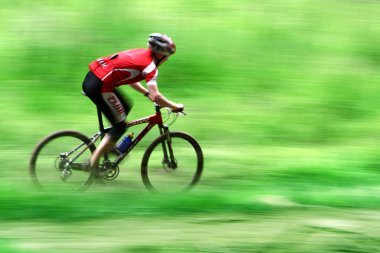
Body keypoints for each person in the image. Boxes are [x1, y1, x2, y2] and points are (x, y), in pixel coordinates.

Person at [82, 33, 184, 173]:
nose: (167, 59)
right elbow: (157, 96)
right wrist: (174, 106)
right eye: (168, 56)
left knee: (126, 106)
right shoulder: (150, 67)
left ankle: (110, 143)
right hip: (100, 85)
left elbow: (132, 79)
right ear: (161, 54)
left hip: (93, 78)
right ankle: (92, 163)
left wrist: (146, 93)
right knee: (120, 126)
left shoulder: (140, 53)